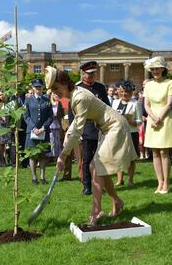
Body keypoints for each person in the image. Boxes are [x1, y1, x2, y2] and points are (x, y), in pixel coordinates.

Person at [45, 66, 136, 226]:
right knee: (101, 168)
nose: (54, 93)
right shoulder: (74, 95)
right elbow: (73, 127)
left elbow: (77, 130)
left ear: (65, 83)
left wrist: (63, 155)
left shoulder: (79, 97)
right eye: (52, 90)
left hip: (115, 127)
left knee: (95, 166)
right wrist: (63, 152)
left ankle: (96, 210)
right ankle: (116, 201)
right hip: (105, 128)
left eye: (56, 88)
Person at [76, 61, 110, 195]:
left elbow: (107, 106)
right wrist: (77, 131)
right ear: (83, 74)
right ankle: (87, 185)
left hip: (100, 128)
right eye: (88, 74)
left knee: (101, 159)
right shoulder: (78, 88)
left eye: (93, 74)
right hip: (86, 128)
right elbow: (73, 112)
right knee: (87, 159)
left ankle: (101, 185)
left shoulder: (100, 87)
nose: (90, 76)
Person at [143, 56, 172, 194]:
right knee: (155, 152)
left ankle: (166, 183)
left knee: (164, 152)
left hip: (165, 118)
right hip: (152, 119)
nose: (155, 71)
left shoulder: (170, 82)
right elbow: (146, 104)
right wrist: (153, 117)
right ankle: (159, 182)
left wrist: (160, 118)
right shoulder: (148, 85)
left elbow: (169, 103)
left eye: (157, 68)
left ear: (163, 69)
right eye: (153, 69)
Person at [111, 79, 142, 187]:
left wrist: (131, 121)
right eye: (123, 91)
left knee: (131, 157)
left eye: (127, 92)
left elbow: (140, 121)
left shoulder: (136, 104)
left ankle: (130, 180)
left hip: (131, 133)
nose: (125, 94)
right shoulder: (114, 102)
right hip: (118, 133)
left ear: (131, 92)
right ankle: (120, 180)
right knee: (118, 156)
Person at [23, 78, 53, 185]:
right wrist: (33, 128)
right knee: (32, 155)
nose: (38, 88)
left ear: (42, 87)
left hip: (43, 131)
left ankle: (43, 177)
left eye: (39, 86)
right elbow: (26, 116)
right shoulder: (28, 100)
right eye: (36, 87)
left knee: (43, 155)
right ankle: (34, 177)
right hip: (31, 132)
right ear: (33, 88)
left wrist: (43, 128)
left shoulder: (47, 100)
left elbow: (50, 117)